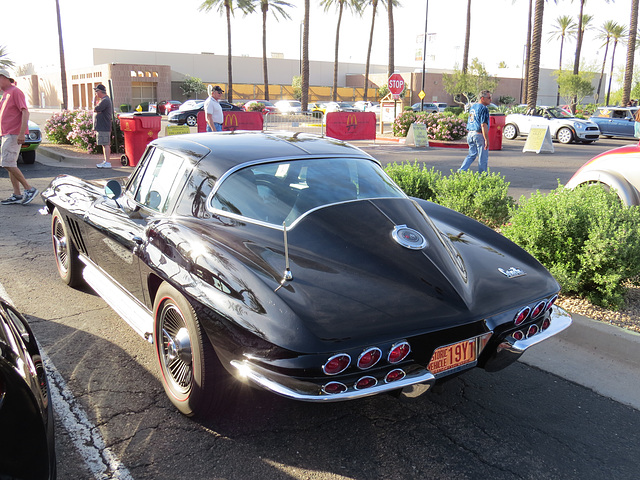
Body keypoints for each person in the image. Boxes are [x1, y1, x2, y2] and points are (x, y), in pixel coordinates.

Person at [0, 69, 39, 205]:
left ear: (4, 78)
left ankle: (29, 189)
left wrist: (22, 133)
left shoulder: (15, 92)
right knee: (10, 164)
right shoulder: (5, 94)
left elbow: (25, 112)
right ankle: (17, 194)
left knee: (6, 163)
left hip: (13, 134)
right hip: (7, 133)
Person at [458, 90, 492, 174]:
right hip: (479, 134)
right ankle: (482, 175)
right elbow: (483, 124)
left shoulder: (473, 107)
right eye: (489, 98)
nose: (490, 99)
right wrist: (486, 139)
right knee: (483, 157)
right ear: (482, 98)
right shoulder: (483, 109)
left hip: (470, 133)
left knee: (472, 154)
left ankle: (461, 170)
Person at [93, 84, 113, 168]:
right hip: (102, 126)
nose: (96, 93)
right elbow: (97, 110)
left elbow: (96, 109)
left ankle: (108, 162)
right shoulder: (104, 100)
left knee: (106, 144)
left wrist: (94, 102)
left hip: (104, 126)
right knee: (104, 144)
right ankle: (105, 161)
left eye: (96, 91)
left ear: (101, 91)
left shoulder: (105, 100)